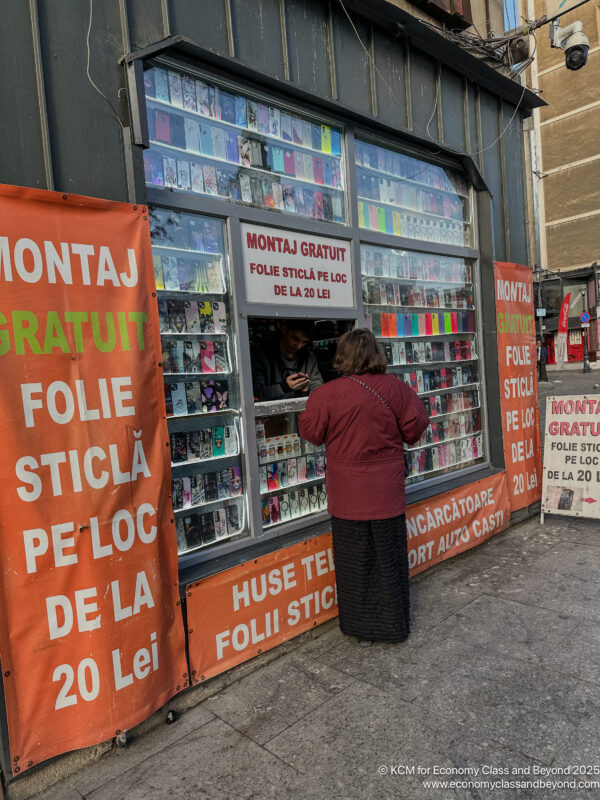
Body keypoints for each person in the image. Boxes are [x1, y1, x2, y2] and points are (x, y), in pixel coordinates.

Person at [298, 328, 429, 646]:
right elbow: (414, 429)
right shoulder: (396, 388)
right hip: (386, 492)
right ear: (376, 355)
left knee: (352, 561)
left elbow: (311, 432)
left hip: (347, 496)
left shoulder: (326, 394)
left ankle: (358, 626)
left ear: (343, 357)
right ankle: (393, 625)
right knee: (389, 559)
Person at [251, 319, 323, 401]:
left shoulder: (309, 358)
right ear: (284, 330)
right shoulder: (260, 356)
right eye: (295, 339)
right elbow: (255, 392)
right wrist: (284, 387)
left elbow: (317, 387)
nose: (299, 346)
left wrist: (305, 391)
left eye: (304, 342)